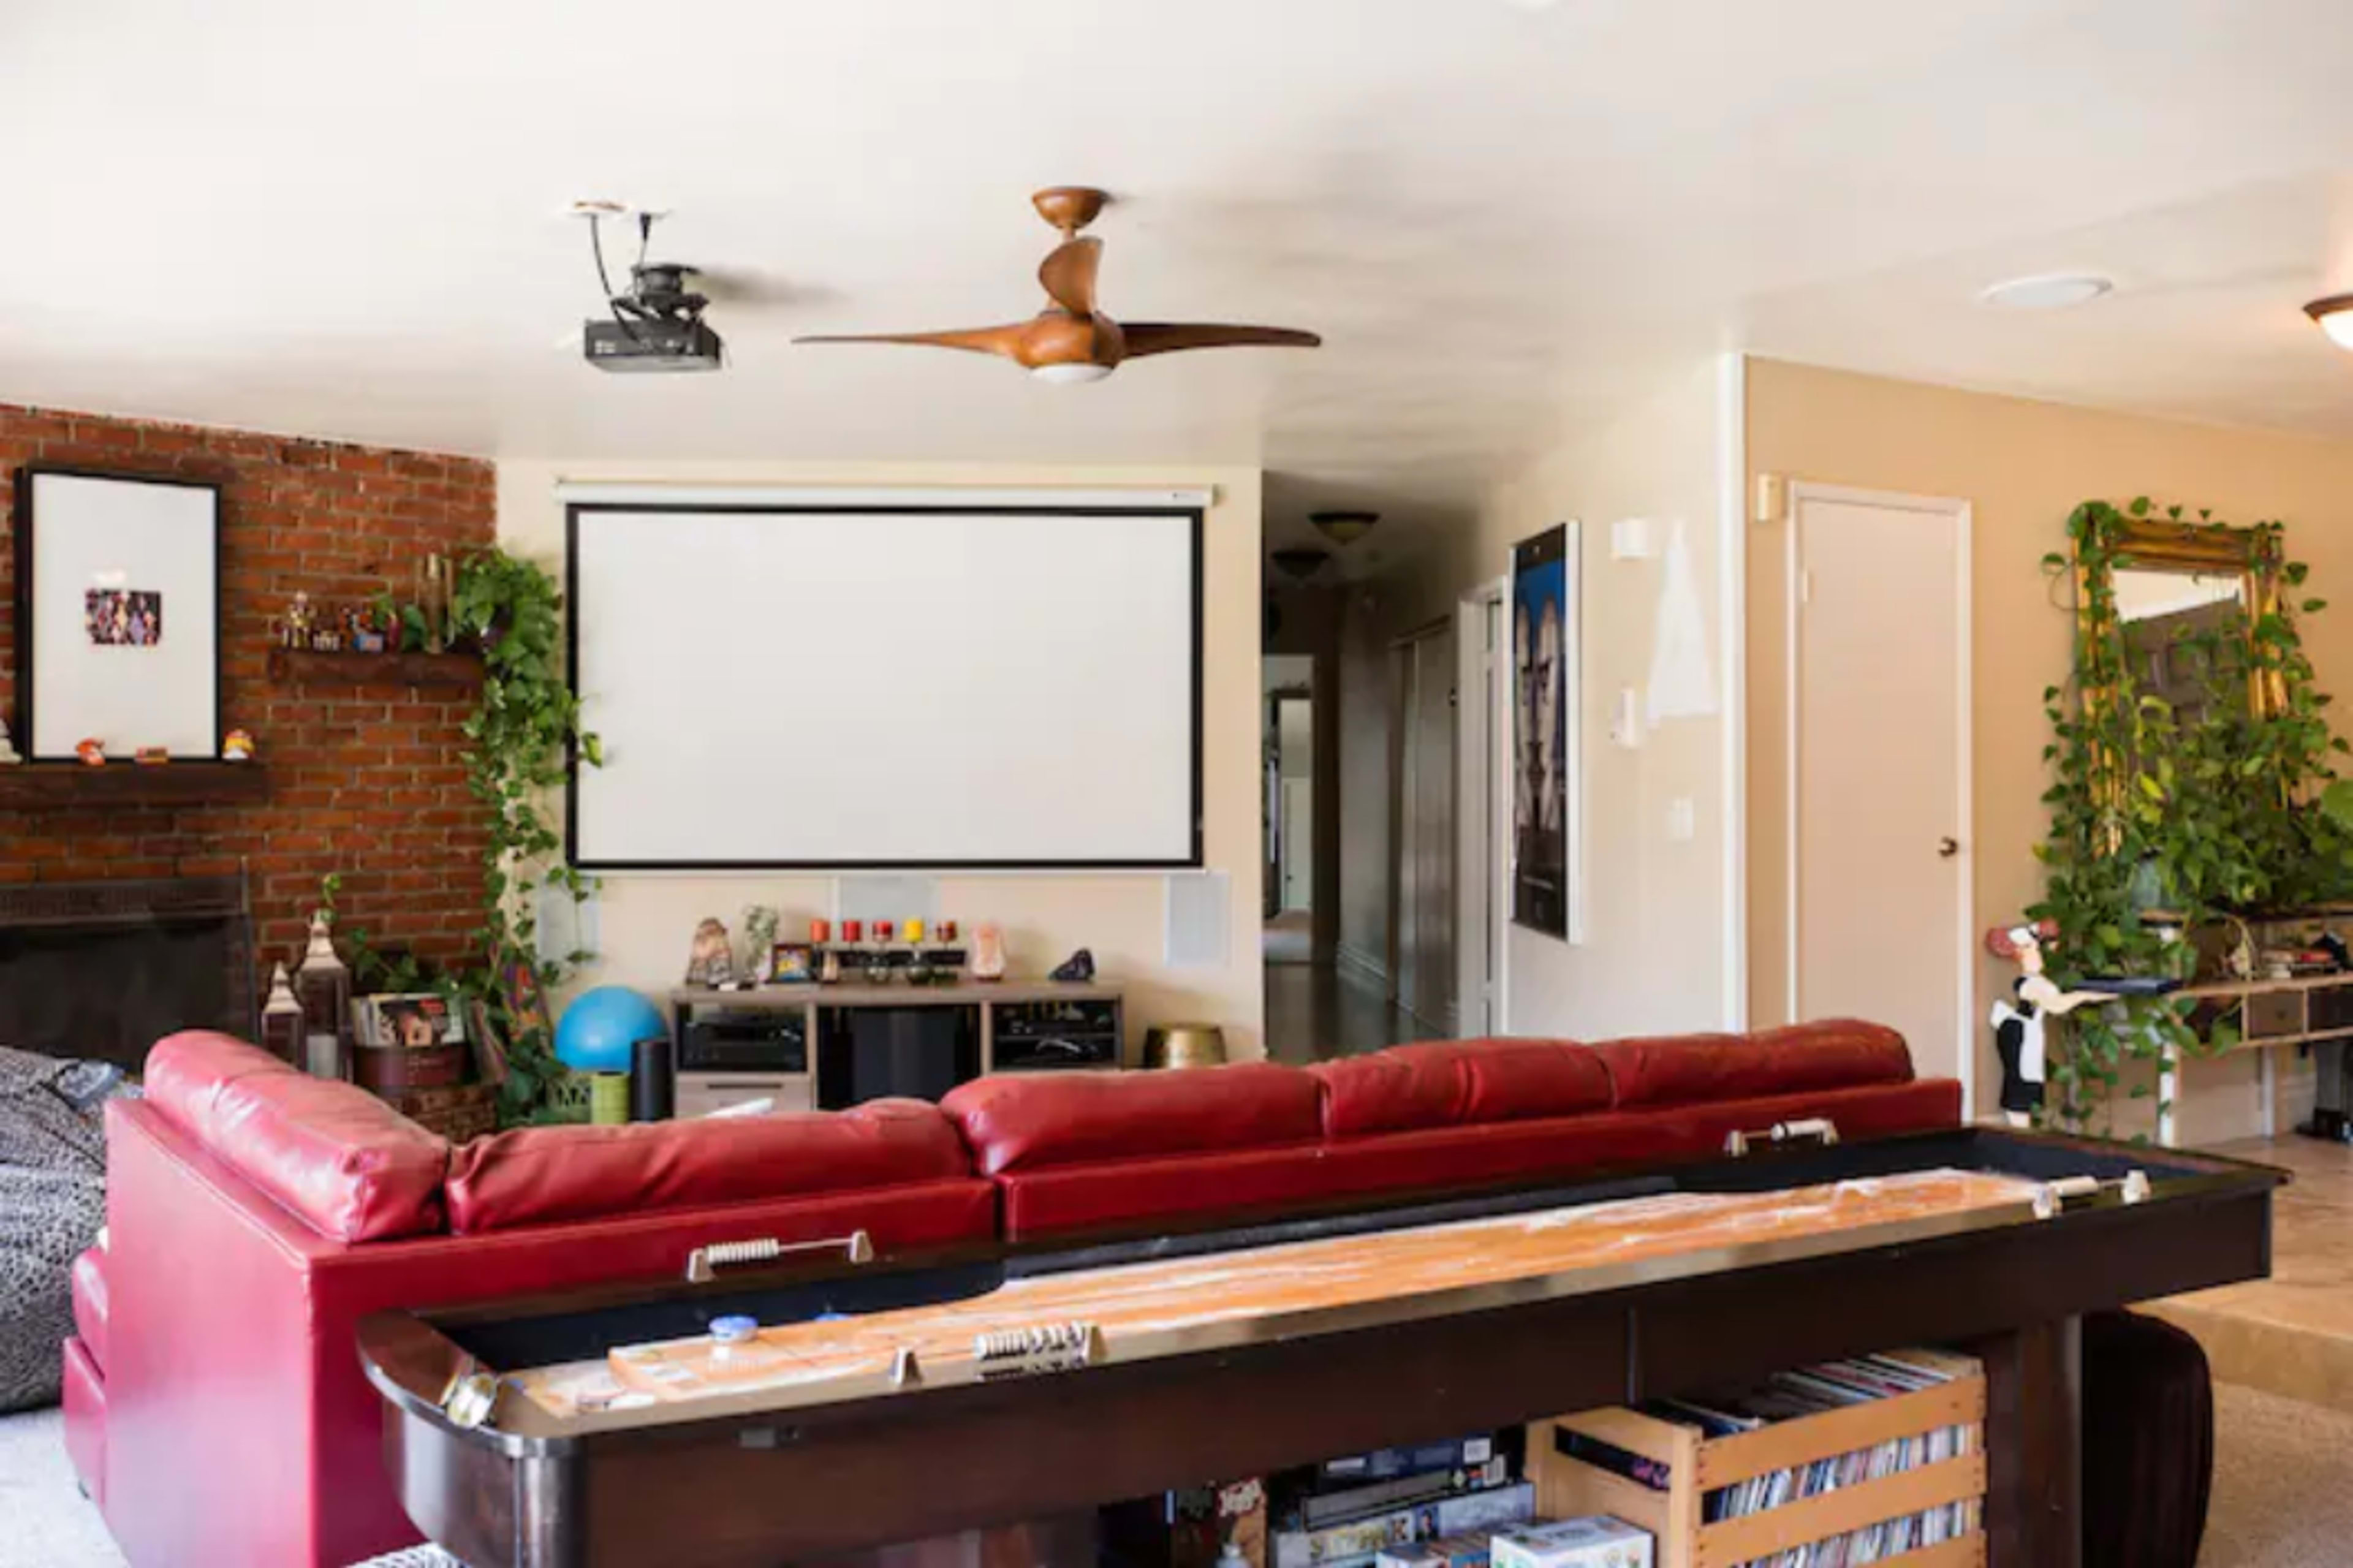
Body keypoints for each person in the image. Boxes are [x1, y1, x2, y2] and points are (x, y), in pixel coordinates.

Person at [1985, 919, 2110, 1126]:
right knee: (2021, 1101)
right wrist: (2086, 995)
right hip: (2024, 1046)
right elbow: (2057, 1005)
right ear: (2021, 954)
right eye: (2033, 950)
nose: (2040, 954)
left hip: (2031, 1042)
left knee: (2028, 1097)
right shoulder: (2029, 984)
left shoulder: (2038, 982)